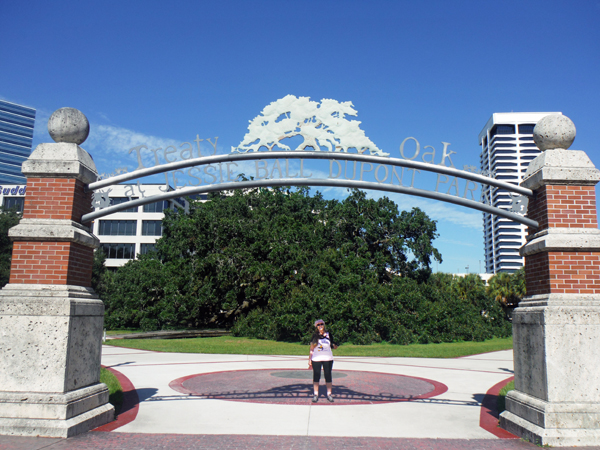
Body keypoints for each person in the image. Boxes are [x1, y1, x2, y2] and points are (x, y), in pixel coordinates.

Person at [308, 319, 338, 403]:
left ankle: (329, 394)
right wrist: (310, 359)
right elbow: (311, 348)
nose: (320, 326)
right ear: (316, 327)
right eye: (318, 325)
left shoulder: (328, 334)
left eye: (321, 324)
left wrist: (335, 346)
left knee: (328, 375)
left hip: (327, 358)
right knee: (316, 375)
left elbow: (332, 345)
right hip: (316, 358)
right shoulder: (315, 336)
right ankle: (316, 394)